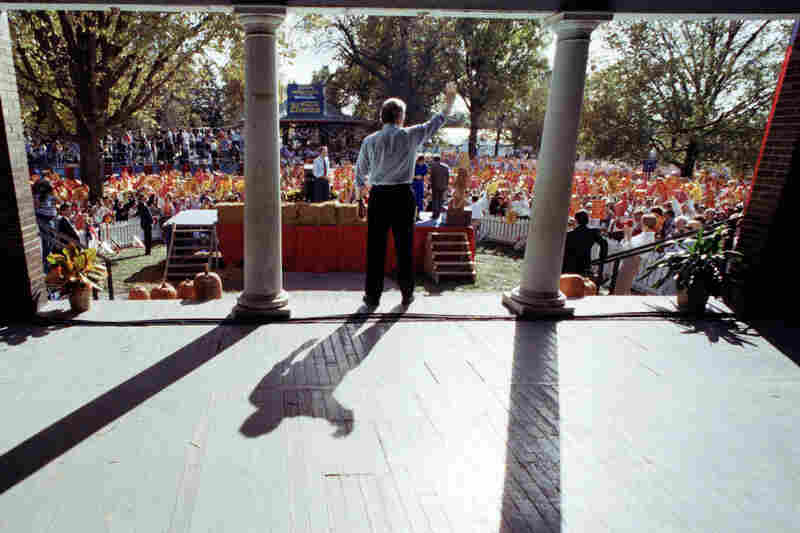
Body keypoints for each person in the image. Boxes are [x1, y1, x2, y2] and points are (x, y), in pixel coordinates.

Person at [355, 82, 457, 307]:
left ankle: (372, 296)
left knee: (375, 249)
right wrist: (448, 103)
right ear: (400, 116)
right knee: (404, 247)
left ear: (383, 117)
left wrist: (359, 198)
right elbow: (436, 122)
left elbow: (360, 172)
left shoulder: (370, 140)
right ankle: (407, 294)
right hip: (402, 195)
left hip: (379, 196)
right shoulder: (411, 135)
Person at [562, 209, 608, 279]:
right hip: (585, 265)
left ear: (576, 220)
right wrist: (602, 258)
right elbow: (604, 243)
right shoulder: (592, 233)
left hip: (569, 267)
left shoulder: (569, 234)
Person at [428, 155, 450, 221]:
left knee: (435, 200)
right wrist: (446, 185)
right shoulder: (446, 167)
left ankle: (435, 215)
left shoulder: (433, 167)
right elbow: (447, 177)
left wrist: (430, 185)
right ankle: (438, 213)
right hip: (443, 186)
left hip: (435, 186)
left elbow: (432, 177)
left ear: (434, 160)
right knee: (440, 200)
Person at [413, 155, 428, 221]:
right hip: (413, 184)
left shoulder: (425, 166)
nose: (422, 163)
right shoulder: (413, 165)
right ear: (418, 161)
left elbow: (425, 175)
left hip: (420, 185)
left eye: (423, 162)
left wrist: (425, 185)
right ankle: (412, 216)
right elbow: (409, 175)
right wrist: (415, 177)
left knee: (419, 201)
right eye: (421, 162)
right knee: (413, 200)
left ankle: (418, 216)